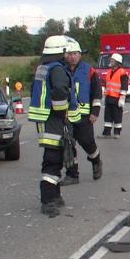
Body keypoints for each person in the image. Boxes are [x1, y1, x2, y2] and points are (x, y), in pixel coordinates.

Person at [27, 36, 77, 217]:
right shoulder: (57, 70)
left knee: (55, 156)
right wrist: (62, 113)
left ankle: (55, 195)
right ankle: (48, 200)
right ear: (60, 51)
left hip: (44, 120)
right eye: (65, 51)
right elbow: (59, 92)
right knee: (53, 160)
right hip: (54, 121)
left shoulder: (43, 68)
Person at [59, 37, 103, 185]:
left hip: (84, 116)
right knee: (68, 146)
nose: (72, 56)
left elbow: (97, 92)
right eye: (69, 54)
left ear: (80, 54)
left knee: (87, 142)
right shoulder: (60, 70)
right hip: (66, 116)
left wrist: (94, 112)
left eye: (75, 53)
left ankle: (96, 161)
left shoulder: (88, 71)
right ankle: (72, 174)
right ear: (65, 55)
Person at [101, 53, 128, 139]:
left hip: (117, 98)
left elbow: (124, 86)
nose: (110, 61)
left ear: (117, 62)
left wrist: (122, 97)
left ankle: (117, 132)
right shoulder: (109, 72)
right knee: (107, 116)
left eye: (112, 60)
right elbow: (106, 84)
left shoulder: (122, 72)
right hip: (109, 97)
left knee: (117, 116)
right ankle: (107, 132)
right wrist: (104, 92)